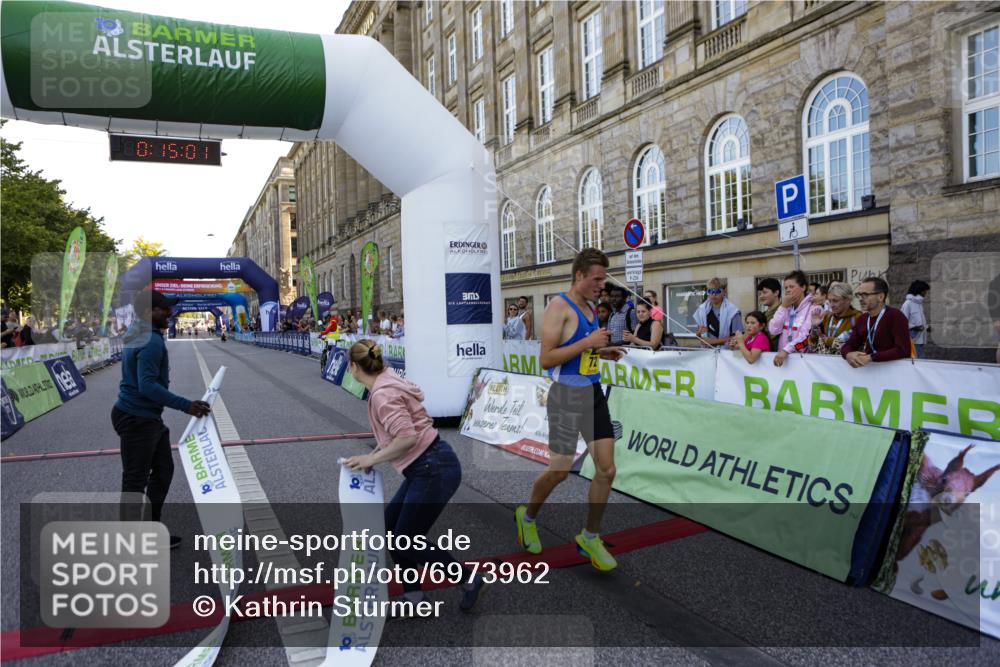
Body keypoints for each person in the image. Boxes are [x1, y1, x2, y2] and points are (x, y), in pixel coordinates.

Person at [343, 339, 488, 612]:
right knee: (392, 531)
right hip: (429, 464)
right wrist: (376, 453)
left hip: (432, 468)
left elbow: (407, 437)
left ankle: (468, 579)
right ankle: (414, 599)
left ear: (353, 366)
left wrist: (372, 458)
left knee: (405, 538)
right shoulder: (387, 378)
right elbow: (398, 430)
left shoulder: (382, 394)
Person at [515, 248, 626, 572]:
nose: (601, 285)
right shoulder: (558, 307)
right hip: (564, 397)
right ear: (579, 275)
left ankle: (590, 536)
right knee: (560, 471)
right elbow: (547, 359)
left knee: (606, 470)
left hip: (592, 393)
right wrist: (588, 343)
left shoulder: (590, 307)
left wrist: (603, 352)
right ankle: (528, 515)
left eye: (603, 279)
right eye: (596, 279)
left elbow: (581, 352)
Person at [112, 290, 211, 548]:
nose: (170, 312)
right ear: (148, 312)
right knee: (136, 480)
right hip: (137, 418)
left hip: (141, 416)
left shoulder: (138, 331)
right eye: (164, 309)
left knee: (163, 471)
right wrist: (186, 405)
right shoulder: (150, 340)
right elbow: (146, 386)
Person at [842, 276, 912, 367]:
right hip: (870, 372)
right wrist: (848, 354)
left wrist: (871, 357)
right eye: (859, 295)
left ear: (880, 297)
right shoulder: (863, 319)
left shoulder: (896, 316)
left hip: (893, 372)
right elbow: (849, 344)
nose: (860, 299)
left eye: (865, 295)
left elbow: (903, 350)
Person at [768, 270, 822, 367]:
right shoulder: (785, 308)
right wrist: (783, 307)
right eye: (786, 288)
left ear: (803, 287)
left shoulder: (814, 308)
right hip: (784, 361)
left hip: (804, 362)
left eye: (792, 287)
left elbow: (806, 338)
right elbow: (773, 330)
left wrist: (787, 350)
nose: (788, 290)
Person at [807, 282, 860, 354]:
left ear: (848, 300)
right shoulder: (827, 317)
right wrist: (814, 327)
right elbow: (813, 347)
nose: (831, 305)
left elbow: (855, 345)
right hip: (824, 363)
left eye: (835, 301)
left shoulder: (858, 317)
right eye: (829, 301)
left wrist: (828, 341)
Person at [693, 277, 743, 347]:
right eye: (710, 291)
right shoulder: (702, 310)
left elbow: (738, 337)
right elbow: (699, 335)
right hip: (707, 352)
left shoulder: (733, 311)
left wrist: (713, 342)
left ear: (724, 292)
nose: (713, 294)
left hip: (727, 353)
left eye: (717, 291)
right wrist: (699, 332)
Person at [900, 280, 930, 359]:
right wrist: (914, 327)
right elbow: (901, 322)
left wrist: (926, 327)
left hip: (919, 339)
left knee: (918, 361)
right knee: (922, 361)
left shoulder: (919, 304)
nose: (925, 293)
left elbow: (919, 320)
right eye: (924, 291)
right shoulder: (907, 304)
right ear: (919, 290)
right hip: (912, 340)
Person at [757, 278, 782, 352]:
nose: (761, 296)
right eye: (760, 294)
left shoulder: (784, 312)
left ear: (776, 293)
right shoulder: (763, 314)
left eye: (765, 292)